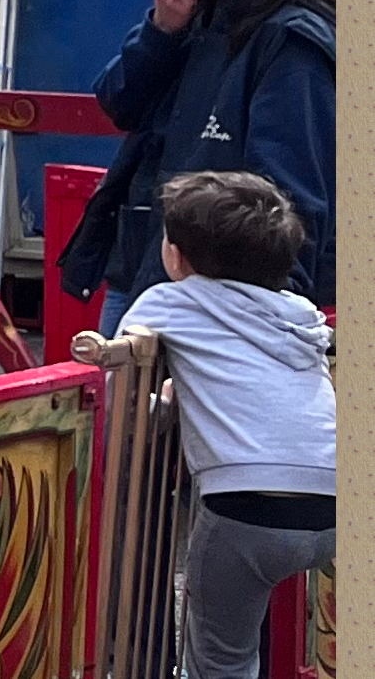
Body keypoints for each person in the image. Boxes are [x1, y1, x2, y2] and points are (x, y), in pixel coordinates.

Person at [68, 0, 335, 329]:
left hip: (223, 297)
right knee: (121, 402)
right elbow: (118, 103)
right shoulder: (196, 12)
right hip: (147, 267)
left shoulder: (292, 39)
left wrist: (272, 322)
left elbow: (292, 198)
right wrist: (159, 33)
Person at [112, 170, 336, 679]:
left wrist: (161, 412)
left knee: (221, 660)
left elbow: (122, 395)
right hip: (334, 500)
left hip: (245, 507)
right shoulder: (299, 314)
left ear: (177, 255)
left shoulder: (168, 302)